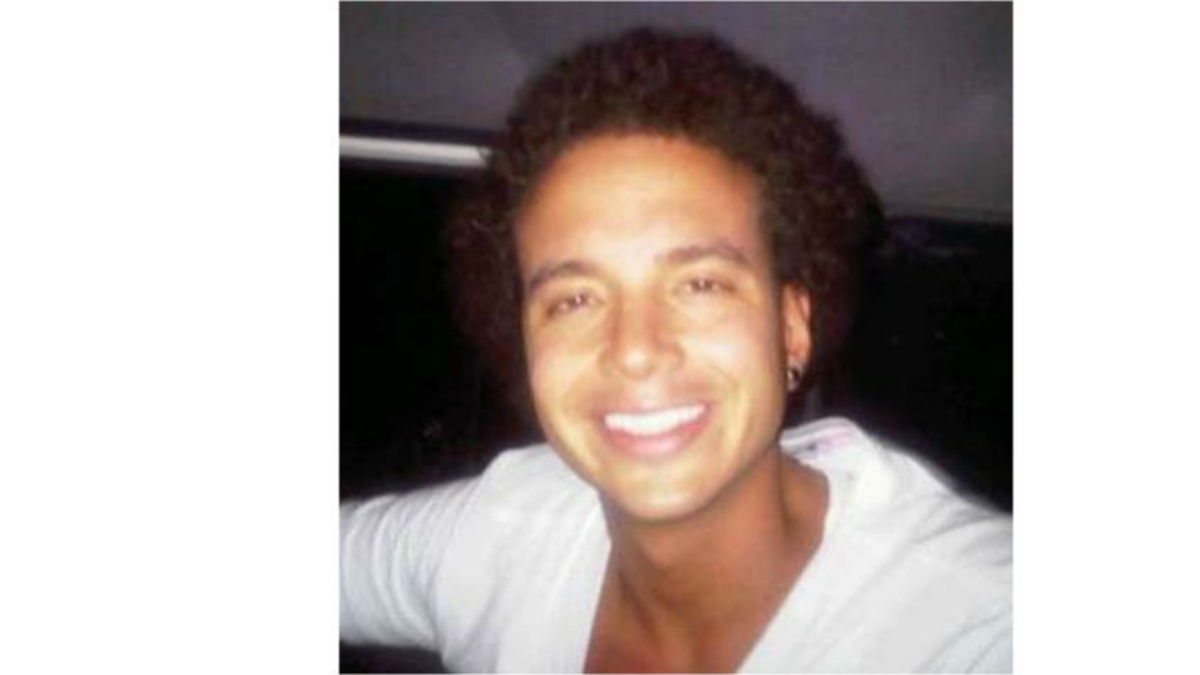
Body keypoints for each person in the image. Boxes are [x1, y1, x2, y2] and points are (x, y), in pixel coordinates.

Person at [340, 29, 1011, 673]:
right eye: (575, 299)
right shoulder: (501, 532)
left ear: (791, 327)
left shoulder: (976, 623)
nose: (635, 350)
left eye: (700, 284)